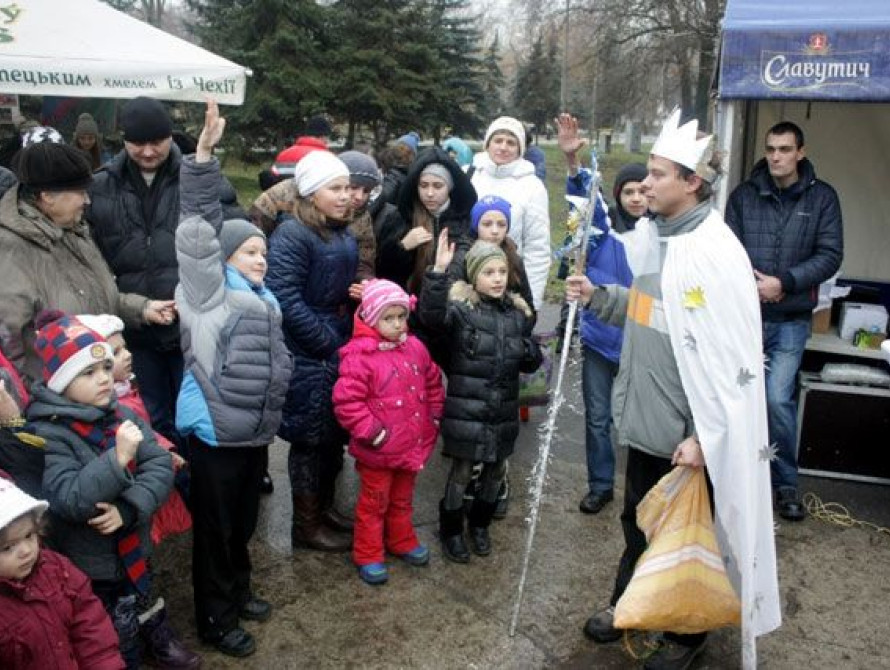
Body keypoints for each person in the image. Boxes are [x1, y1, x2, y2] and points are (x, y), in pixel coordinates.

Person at [566, 109, 780, 669]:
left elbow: (728, 362)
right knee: (638, 517)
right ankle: (629, 605)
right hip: (645, 415)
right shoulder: (660, 240)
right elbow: (653, 315)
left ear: (692, 183)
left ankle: (688, 633)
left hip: (687, 434)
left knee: (688, 532)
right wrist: (599, 297)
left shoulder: (713, 251)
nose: (646, 184)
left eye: (659, 175)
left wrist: (703, 438)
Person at [173, 100, 293, 657]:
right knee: (215, 533)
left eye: (263, 251)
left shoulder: (263, 299)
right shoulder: (208, 292)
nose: (260, 259)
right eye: (249, 251)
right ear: (224, 258)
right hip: (216, 434)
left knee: (241, 523)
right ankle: (215, 619)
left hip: (251, 434)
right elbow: (196, 231)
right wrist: (202, 158)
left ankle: (239, 591)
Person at [27, 314, 199, 669]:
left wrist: (130, 508)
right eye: (88, 373)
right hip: (91, 563)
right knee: (106, 627)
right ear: (60, 382)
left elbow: (157, 465)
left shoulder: (120, 414)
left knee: (143, 592)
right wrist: (117, 461)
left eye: (106, 367)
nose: (105, 378)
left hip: (133, 543)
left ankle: (155, 637)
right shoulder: (49, 433)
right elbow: (68, 498)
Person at [87, 96, 240, 449]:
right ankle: (167, 493)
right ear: (122, 141)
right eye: (138, 143)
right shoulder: (101, 186)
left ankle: (197, 490)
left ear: (170, 137)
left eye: (156, 141)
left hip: (191, 322)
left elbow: (230, 230)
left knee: (196, 412)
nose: (148, 151)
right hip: (134, 327)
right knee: (149, 416)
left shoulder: (196, 175)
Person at [725, 121, 843, 522]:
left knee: (777, 399)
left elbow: (830, 255)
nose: (776, 156)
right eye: (771, 148)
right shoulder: (743, 196)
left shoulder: (823, 198)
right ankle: (735, 479)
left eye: (785, 149)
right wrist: (752, 286)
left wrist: (784, 283)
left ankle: (785, 484)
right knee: (739, 399)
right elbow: (727, 249)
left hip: (790, 319)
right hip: (745, 318)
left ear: (801, 153)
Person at [0, 138, 174, 384]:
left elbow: (87, 298)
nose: (87, 200)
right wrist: (35, 403)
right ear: (48, 196)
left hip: (95, 385)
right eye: (80, 192)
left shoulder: (74, 229)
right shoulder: (9, 249)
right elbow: (12, 344)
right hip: (58, 401)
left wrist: (141, 308)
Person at [420, 236, 542, 563]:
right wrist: (437, 272)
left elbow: (529, 361)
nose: (498, 278)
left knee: (495, 471)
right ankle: (451, 531)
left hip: (501, 410)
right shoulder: (461, 311)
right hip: (467, 410)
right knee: (462, 472)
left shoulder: (516, 314)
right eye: (489, 272)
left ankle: (480, 525)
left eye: (502, 271)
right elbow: (429, 319)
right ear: (474, 276)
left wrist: (531, 352)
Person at [266, 150, 357, 553]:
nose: (346, 196)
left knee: (329, 436)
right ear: (310, 193)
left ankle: (324, 508)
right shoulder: (292, 234)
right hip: (310, 350)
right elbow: (283, 294)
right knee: (308, 438)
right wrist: (324, 341)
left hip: (333, 341)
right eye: (335, 189)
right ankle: (306, 527)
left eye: (347, 189)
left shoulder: (338, 229)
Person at [556, 112, 646, 514]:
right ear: (618, 195)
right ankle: (600, 483)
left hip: (642, 342)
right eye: (628, 191)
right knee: (598, 418)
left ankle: (647, 491)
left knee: (643, 423)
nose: (637, 198)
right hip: (599, 340)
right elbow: (584, 201)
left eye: (644, 190)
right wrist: (574, 163)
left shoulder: (663, 238)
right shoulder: (604, 234)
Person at [332, 279, 445, 585]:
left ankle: (401, 540)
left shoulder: (415, 348)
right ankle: (368, 553)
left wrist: (433, 417)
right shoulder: (360, 357)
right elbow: (347, 403)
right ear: (371, 318)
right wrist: (375, 434)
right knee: (374, 503)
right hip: (379, 451)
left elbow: (433, 381)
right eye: (388, 318)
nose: (397, 325)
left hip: (410, 445)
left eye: (401, 316)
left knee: (402, 499)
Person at [75, 313, 191, 547]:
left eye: (125, 348)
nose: (127, 355)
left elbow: (144, 430)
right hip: (127, 482)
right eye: (115, 354)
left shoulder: (126, 389)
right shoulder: (110, 404)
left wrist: (163, 449)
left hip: (143, 472)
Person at [0, 476, 126, 670]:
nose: (26, 550)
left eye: (29, 535)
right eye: (8, 547)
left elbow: (90, 626)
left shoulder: (57, 569)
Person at [375, 147, 477, 368]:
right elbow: (384, 276)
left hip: (453, 322)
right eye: (424, 186)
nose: (430, 193)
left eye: (438, 186)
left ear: (450, 188)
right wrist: (402, 247)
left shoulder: (464, 221)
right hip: (410, 323)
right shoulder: (402, 218)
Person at [468, 116, 551, 311]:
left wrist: (532, 302)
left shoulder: (532, 186)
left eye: (511, 142)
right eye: (498, 140)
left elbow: (537, 248)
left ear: (520, 149)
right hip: (469, 282)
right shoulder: (469, 176)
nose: (503, 147)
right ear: (487, 144)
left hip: (508, 284)